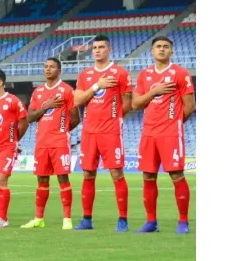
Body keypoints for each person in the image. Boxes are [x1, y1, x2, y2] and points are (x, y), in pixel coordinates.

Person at [131, 36, 195, 234]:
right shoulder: (144, 75)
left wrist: (173, 123)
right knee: (148, 175)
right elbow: (135, 104)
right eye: (158, 46)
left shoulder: (180, 73)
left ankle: (183, 221)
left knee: (176, 174)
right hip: (148, 132)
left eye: (166, 47)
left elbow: (190, 105)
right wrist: (154, 92)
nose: (161, 49)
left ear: (171, 52)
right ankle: (151, 222)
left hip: (170, 133)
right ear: (152, 51)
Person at [73, 34, 132, 232]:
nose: (97, 50)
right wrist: (97, 85)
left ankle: (123, 220)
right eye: (94, 47)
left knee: (116, 173)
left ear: (109, 49)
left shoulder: (120, 73)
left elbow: (127, 102)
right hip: (89, 131)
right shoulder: (85, 75)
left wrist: (114, 117)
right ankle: (86, 219)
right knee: (88, 173)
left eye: (101, 47)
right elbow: (78, 100)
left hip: (110, 131)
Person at [21, 58, 80, 230]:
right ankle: (39, 218)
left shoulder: (67, 91)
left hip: (59, 142)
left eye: (52, 67)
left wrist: (62, 131)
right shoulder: (38, 92)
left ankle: (67, 219)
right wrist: (46, 107)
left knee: (63, 178)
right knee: (42, 179)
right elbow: (30, 117)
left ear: (59, 71)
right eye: (45, 66)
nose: (48, 69)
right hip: (41, 142)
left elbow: (75, 118)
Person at [0, 68, 28, 228]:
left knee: (1, 179)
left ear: (0, 83)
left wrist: (14, 140)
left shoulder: (13, 101)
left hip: (7, 147)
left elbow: (24, 121)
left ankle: (3, 218)